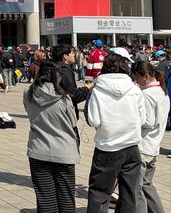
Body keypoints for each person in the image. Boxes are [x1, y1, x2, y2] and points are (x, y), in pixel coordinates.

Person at [86, 51, 145, 212]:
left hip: (107, 147)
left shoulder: (98, 90)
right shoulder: (135, 89)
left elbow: (94, 120)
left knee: (99, 192)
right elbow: (143, 119)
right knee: (129, 193)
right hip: (131, 147)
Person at [23, 62, 80, 213]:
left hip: (38, 148)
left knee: (45, 198)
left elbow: (29, 114)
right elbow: (73, 121)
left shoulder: (28, 93)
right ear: (57, 76)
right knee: (66, 197)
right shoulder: (64, 97)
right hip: (64, 150)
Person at [131, 60, 170, 213]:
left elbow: (148, 122)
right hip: (153, 146)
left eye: (137, 78)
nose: (136, 81)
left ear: (146, 76)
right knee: (147, 185)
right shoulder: (162, 92)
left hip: (143, 147)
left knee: (137, 188)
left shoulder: (146, 95)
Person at [51, 44, 89, 118]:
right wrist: (86, 89)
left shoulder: (53, 67)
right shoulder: (65, 71)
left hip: (54, 112)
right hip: (64, 114)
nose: (74, 55)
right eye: (72, 53)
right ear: (65, 56)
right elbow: (73, 96)